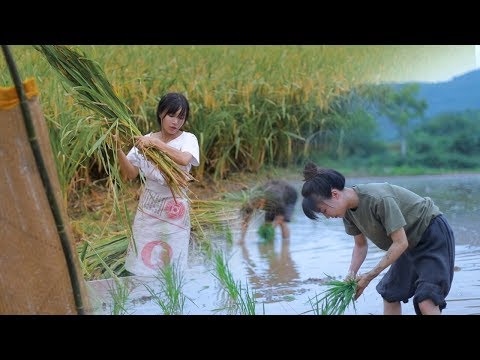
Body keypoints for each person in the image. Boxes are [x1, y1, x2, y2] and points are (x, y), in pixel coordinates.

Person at [301, 162, 455, 315]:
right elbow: (360, 246)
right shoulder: (347, 212)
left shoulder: (378, 199)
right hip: (407, 243)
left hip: (431, 233)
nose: (327, 216)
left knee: (426, 299)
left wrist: (369, 276)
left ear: (335, 194)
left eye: (324, 210)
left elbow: (400, 243)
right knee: (390, 293)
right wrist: (351, 274)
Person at [116, 92, 199, 276]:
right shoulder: (145, 141)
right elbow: (130, 174)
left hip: (174, 209)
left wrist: (155, 144)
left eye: (181, 117)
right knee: (143, 262)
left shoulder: (188, 139)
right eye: (171, 115)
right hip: (149, 209)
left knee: (171, 265)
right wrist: (117, 149)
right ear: (161, 113)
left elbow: (184, 159)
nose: (175, 122)